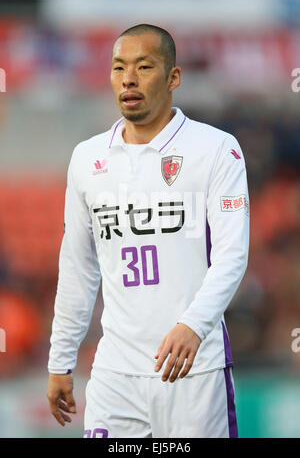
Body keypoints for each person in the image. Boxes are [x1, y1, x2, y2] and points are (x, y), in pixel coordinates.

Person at [47, 24, 249, 438]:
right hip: (114, 372)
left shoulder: (215, 149)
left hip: (192, 370)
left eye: (144, 66)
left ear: (173, 77)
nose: (129, 79)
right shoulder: (86, 159)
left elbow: (233, 253)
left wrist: (193, 325)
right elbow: (79, 267)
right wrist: (60, 360)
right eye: (119, 67)